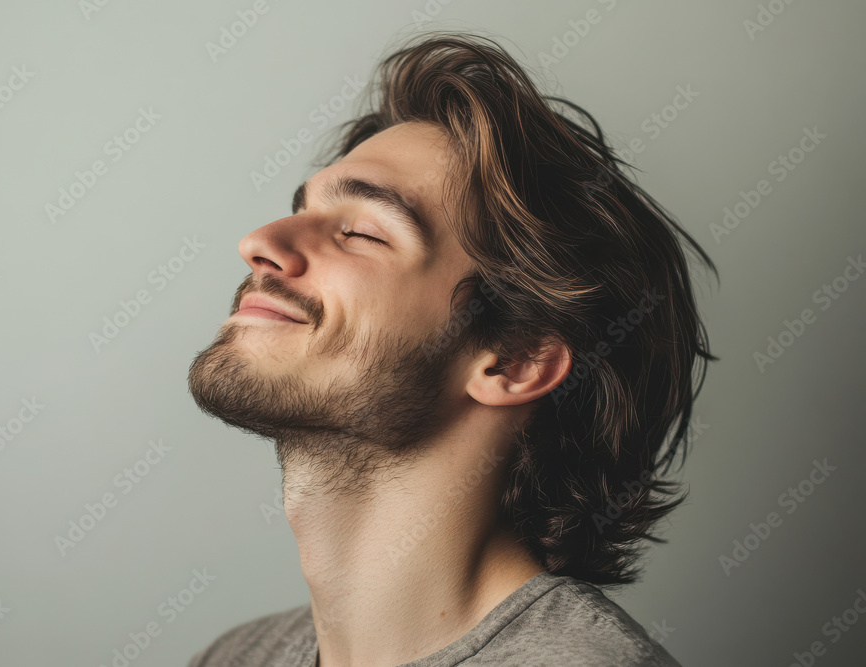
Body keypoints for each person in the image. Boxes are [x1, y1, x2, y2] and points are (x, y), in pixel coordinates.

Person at [186, 30, 714, 667]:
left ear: (515, 361)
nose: (260, 241)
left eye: (360, 232)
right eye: (301, 208)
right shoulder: (234, 658)